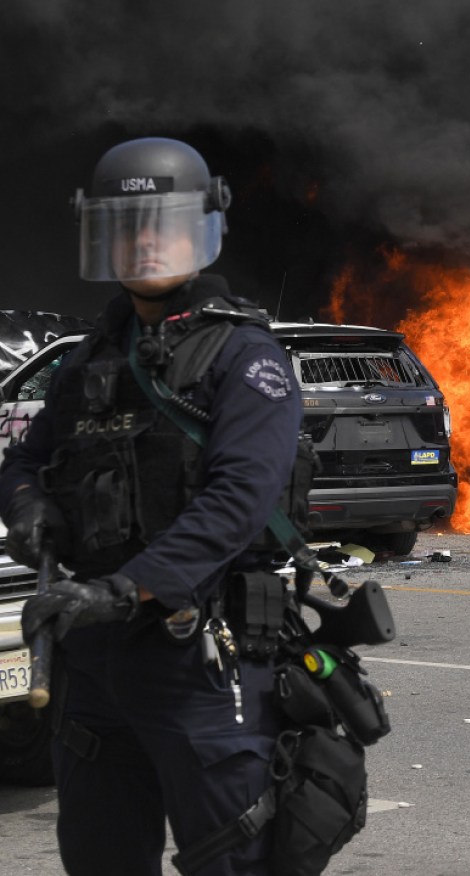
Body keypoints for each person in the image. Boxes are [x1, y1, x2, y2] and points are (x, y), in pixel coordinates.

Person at [0, 137, 303, 875]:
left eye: (162, 223)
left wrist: (123, 587)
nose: (145, 242)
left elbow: (234, 504)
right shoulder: (91, 358)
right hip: (96, 661)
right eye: (127, 224)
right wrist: (29, 509)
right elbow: (24, 463)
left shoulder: (244, 358)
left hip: (197, 649)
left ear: (201, 228)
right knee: (99, 855)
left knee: (231, 855)